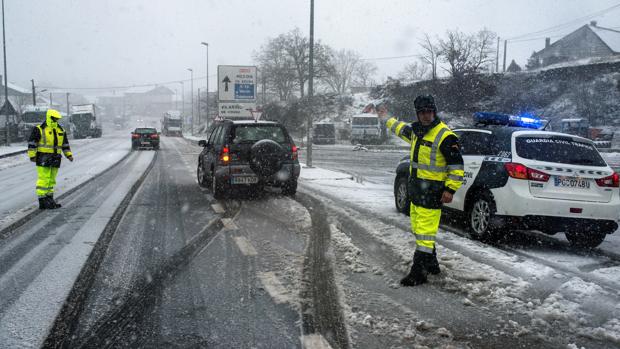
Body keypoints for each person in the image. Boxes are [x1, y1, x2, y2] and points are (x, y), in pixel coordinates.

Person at [377, 95, 464, 286]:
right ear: (418, 114)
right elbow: (400, 128)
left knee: (425, 233)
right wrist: (385, 118)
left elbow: (457, 167)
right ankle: (432, 264)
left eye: (429, 111)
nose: (426, 115)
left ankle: (419, 272)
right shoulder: (417, 131)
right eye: (423, 112)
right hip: (417, 191)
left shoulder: (445, 136)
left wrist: (450, 189)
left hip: (432, 193)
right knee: (419, 230)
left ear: (434, 111)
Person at [27, 109, 74, 209]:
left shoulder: (61, 130)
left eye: (57, 119)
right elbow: (32, 143)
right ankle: (42, 201)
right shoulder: (39, 129)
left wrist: (68, 155)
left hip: (56, 158)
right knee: (44, 179)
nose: (56, 120)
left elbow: (65, 145)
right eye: (54, 118)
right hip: (43, 157)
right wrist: (32, 155)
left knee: (51, 180)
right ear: (49, 117)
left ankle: (49, 199)